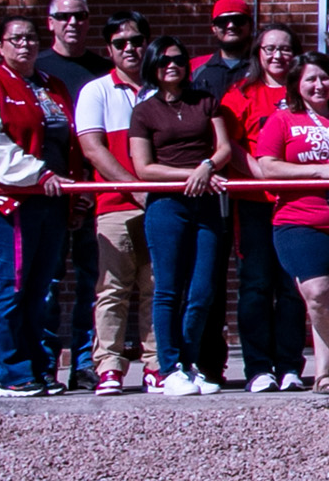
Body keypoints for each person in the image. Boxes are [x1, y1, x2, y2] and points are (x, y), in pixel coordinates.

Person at [0, 16, 81, 397]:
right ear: (0, 46)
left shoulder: (53, 87)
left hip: (50, 201)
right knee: (11, 286)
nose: (24, 45)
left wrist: (72, 192)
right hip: (5, 203)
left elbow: (68, 141)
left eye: (30, 38)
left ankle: (39, 367)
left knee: (40, 289)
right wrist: (38, 173)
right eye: (15, 39)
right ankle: (11, 373)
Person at [255, 52, 329, 394]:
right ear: (296, 85)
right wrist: (319, 171)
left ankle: (324, 375)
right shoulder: (281, 120)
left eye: (324, 78)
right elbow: (269, 167)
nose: (318, 85)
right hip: (299, 220)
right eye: (310, 79)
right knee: (320, 293)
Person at [128, 35, 232, 397]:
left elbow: (224, 149)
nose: (171, 65)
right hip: (167, 205)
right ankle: (168, 366)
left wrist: (206, 166)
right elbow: (144, 168)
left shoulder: (205, 101)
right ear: (152, 67)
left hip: (205, 204)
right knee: (168, 289)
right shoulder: (144, 111)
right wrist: (193, 175)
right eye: (163, 60)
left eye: (178, 59)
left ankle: (190, 363)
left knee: (202, 290)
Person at [74, 11, 162, 396]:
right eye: (121, 43)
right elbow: (94, 150)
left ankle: (156, 364)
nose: (131, 49)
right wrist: (135, 188)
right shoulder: (96, 91)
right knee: (112, 288)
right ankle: (109, 365)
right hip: (115, 205)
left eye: (137, 41)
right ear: (109, 49)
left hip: (162, 206)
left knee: (156, 286)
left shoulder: (163, 88)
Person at [219, 23, 305, 393]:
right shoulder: (242, 94)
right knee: (255, 286)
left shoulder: (305, 91)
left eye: (285, 49)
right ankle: (258, 367)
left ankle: (289, 366)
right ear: (258, 53)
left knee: (291, 288)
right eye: (269, 49)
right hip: (255, 204)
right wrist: (258, 173)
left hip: (297, 205)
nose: (277, 56)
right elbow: (230, 142)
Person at [36, 0, 111, 391]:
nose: (72, 23)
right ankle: (45, 364)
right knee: (46, 283)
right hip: (47, 194)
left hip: (93, 193)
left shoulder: (102, 70)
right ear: (50, 22)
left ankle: (85, 364)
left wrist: (90, 188)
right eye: (63, 16)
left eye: (80, 16)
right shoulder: (37, 70)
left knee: (92, 283)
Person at [191, 0, 253, 96]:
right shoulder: (194, 67)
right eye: (222, 21)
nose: (231, 26)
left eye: (238, 20)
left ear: (250, 25)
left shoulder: (265, 66)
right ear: (214, 28)